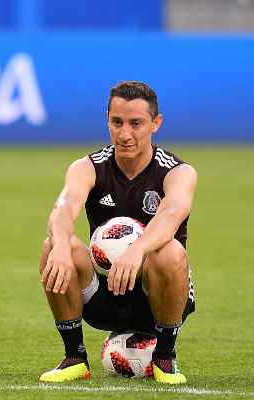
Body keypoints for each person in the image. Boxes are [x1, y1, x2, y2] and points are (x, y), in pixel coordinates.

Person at [38, 81, 196, 385]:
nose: (125, 134)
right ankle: (75, 357)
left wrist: (136, 251)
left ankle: (165, 357)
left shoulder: (177, 171)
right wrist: (59, 244)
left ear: (156, 123)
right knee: (54, 245)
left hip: (158, 299)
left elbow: (171, 215)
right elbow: (64, 207)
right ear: (107, 120)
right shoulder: (88, 167)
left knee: (170, 251)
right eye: (117, 122)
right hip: (105, 293)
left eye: (136, 123)